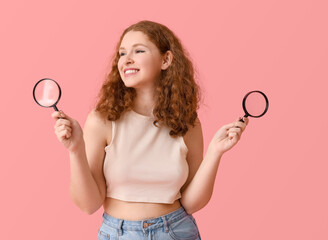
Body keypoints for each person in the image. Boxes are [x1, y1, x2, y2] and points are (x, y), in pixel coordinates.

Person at [51, 20, 248, 240]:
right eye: (122, 53)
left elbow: (192, 203)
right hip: (118, 233)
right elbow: (89, 205)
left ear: (166, 59)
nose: (126, 60)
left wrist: (215, 152)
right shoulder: (102, 120)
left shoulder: (187, 122)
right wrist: (75, 150)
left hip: (177, 231)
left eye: (139, 50)